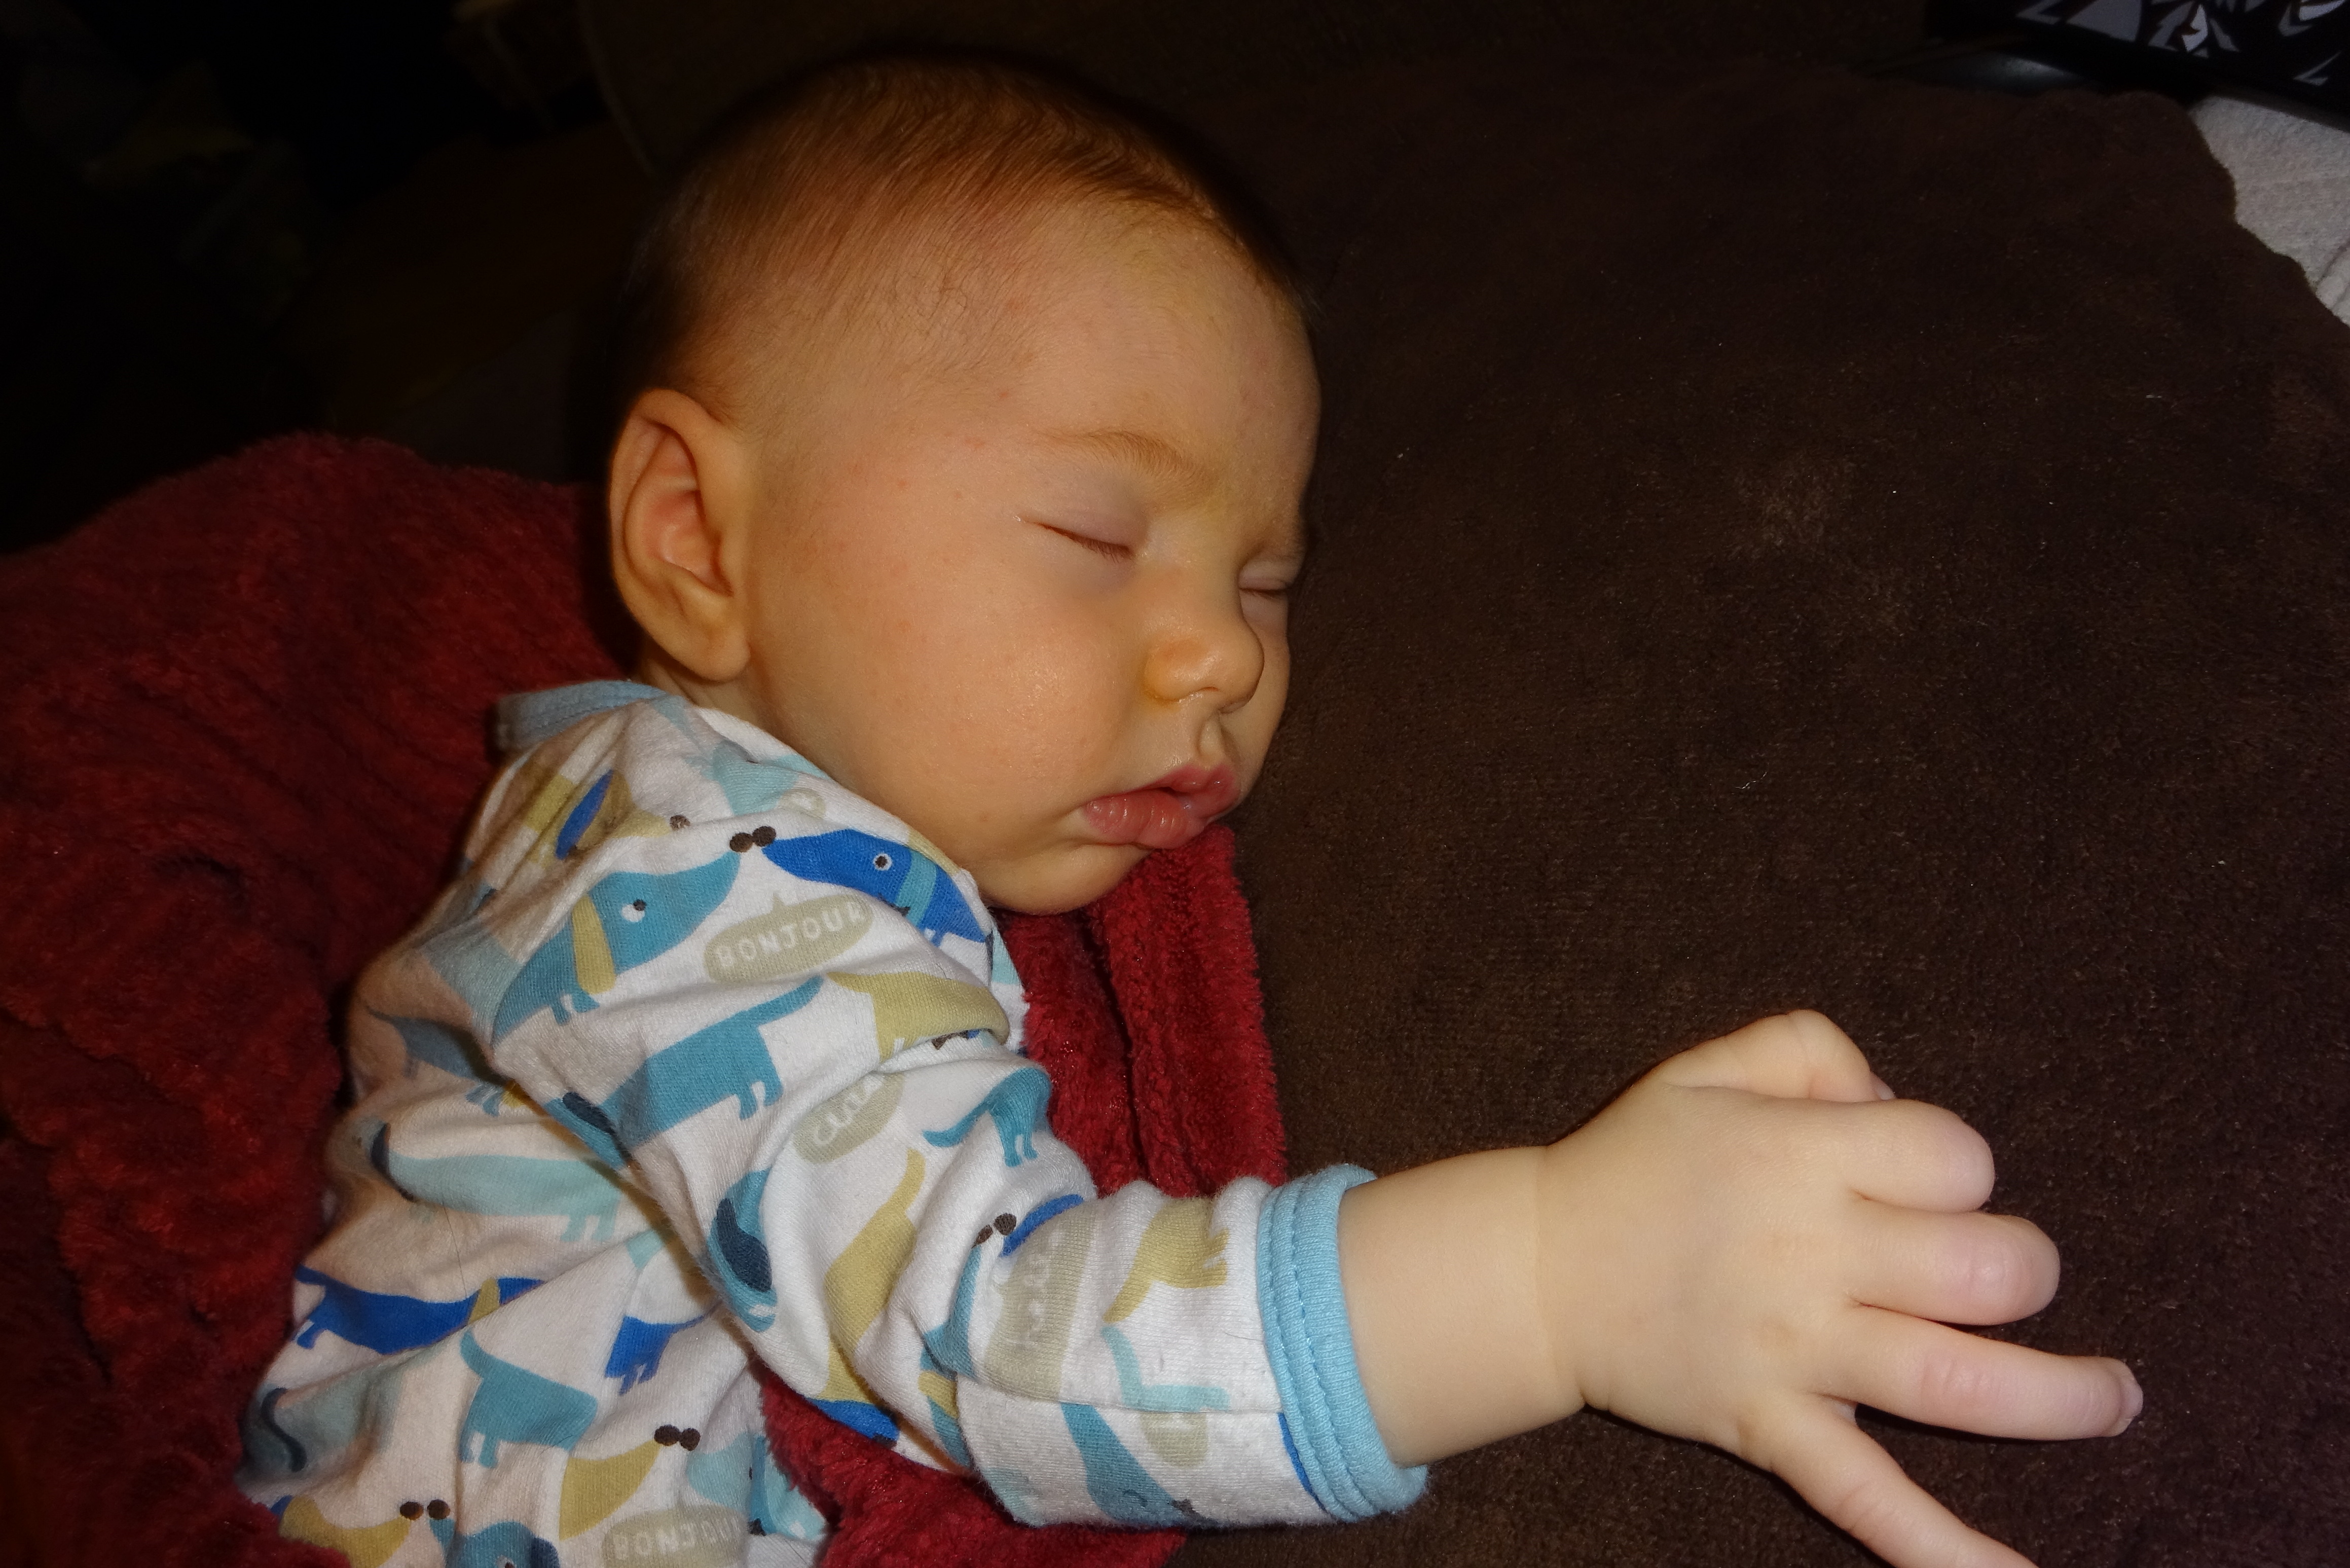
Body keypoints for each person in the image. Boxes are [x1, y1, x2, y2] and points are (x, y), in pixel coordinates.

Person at [238, 53, 2141, 1568]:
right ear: (693, 539)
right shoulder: (682, 869)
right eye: (1096, 533)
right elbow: (997, 1337)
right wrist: (1560, 1276)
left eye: (1264, 580)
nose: (1221, 654)